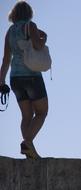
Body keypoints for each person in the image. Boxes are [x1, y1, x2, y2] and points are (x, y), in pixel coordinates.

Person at [0, 1, 48, 159]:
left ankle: (29, 150)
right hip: (32, 76)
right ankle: (27, 143)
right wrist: (44, 37)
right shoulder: (30, 26)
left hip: (15, 78)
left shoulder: (10, 31)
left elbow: (6, 59)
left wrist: (1, 81)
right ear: (28, 13)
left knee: (26, 116)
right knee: (42, 112)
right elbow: (38, 46)